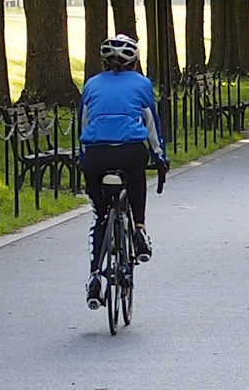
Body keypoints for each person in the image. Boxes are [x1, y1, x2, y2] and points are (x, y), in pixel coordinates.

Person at [77, 33, 165, 309]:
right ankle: (139, 229)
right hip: (129, 150)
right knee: (136, 178)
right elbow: (151, 126)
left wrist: (84, 159)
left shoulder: (91, 85)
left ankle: (94, 277)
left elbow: (84, 124)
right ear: (135, 60)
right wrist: (159, 158)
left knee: (101, 215)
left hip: (96, 154)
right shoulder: (142, 84)